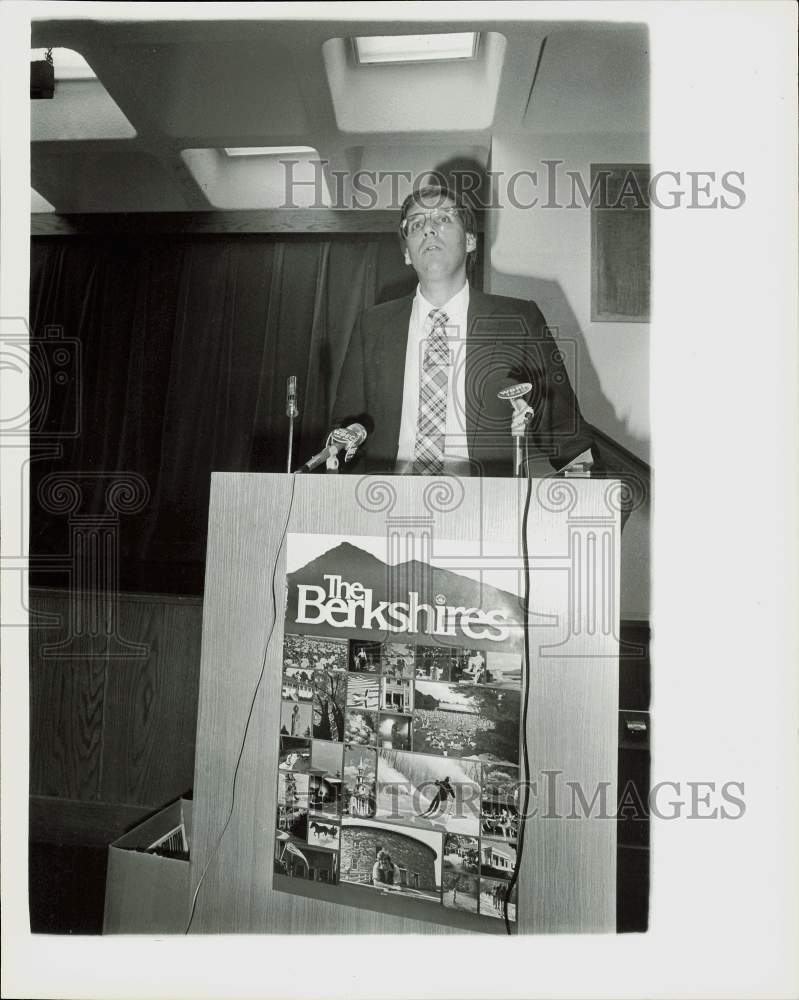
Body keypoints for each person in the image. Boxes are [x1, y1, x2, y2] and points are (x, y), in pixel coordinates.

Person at [331, 181, 598, 478]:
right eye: (416, 224)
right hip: (387, 501)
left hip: (484, 511)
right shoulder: (372, 324)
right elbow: (345, 427)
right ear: (407, 253)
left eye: (443, 219)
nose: (428, 229)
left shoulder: (520, 320)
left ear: (471, 241)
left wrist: (592, 494)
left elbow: (563, 429)